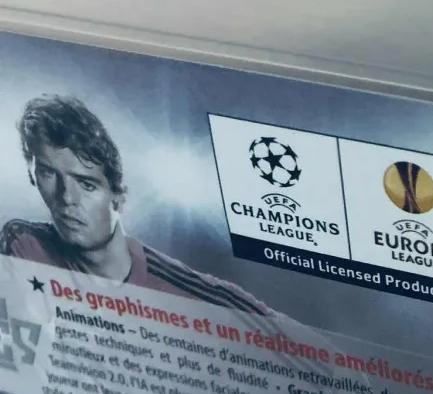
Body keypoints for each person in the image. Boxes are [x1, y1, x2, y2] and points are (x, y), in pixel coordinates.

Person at [0, 95, 270, 315]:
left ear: (118, 197)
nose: (67, 197)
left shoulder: (185, 289)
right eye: (48, 173)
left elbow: (289, 337)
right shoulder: (26, 245)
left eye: (86, 184)